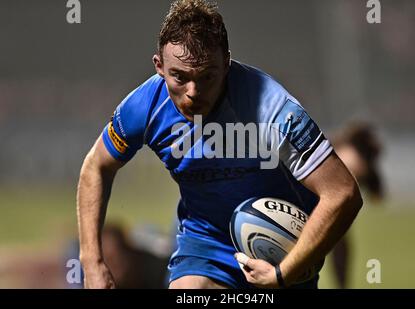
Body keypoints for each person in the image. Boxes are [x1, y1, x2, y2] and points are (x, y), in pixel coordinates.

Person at [77, 0, 363, 289]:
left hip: (279, 248)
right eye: (180, 76)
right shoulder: (144, 107)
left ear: (226, 63)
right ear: (159, 66)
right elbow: (96, 167)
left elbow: (343, 193)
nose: (193, 92)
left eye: (207, 77)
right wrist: (92, 262)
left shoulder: (274, 109)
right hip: (206, 244)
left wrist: (282, 273)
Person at [330, 122, 384, 288]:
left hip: (324, 205)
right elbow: (377, 197)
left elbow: (377, 196)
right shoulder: (351, 157)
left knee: (339, 243)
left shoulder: (340, 150)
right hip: (318, 202)